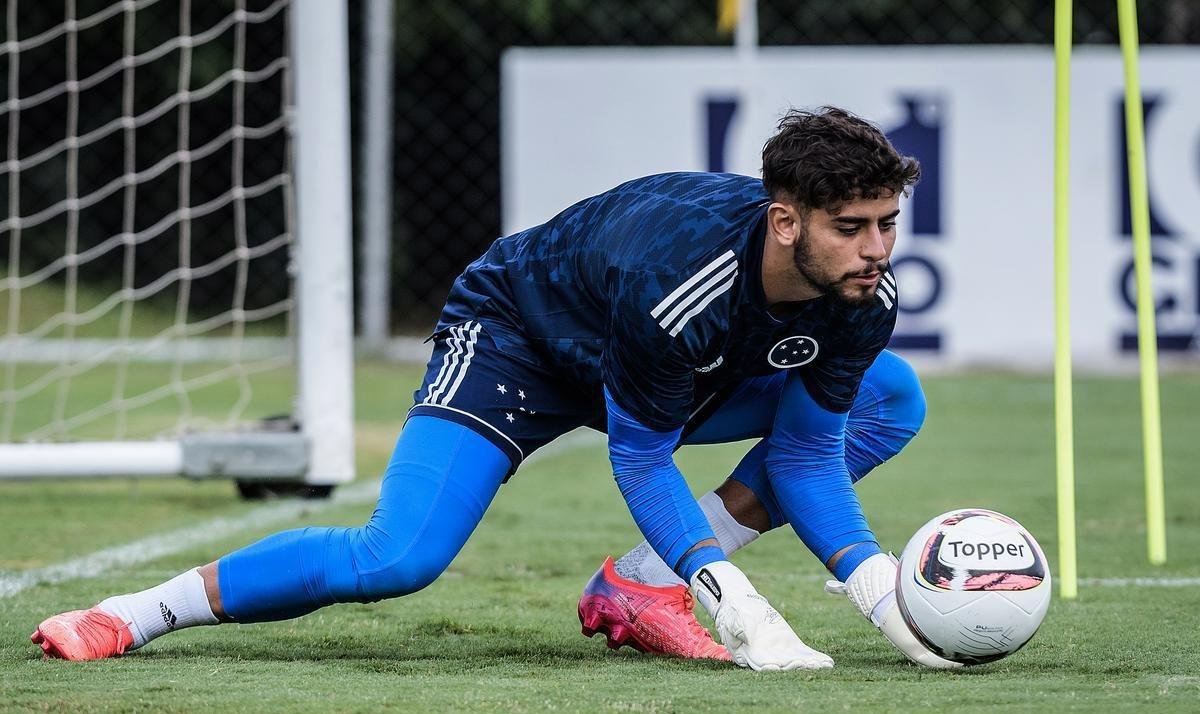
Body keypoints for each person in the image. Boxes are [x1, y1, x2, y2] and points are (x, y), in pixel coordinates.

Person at [32, 106, 956, 671]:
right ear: (786, 222)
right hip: (520, 340)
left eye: (887, 223)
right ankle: (128, 616)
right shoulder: (678, 282)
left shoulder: (860, 294)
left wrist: (882, 592)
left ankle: (638, 586)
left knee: (890, 398)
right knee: (396, 557)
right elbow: (639, 456)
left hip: (661, 361)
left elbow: (803, 453)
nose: (878, 249)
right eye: (853, 227)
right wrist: (731, 597)